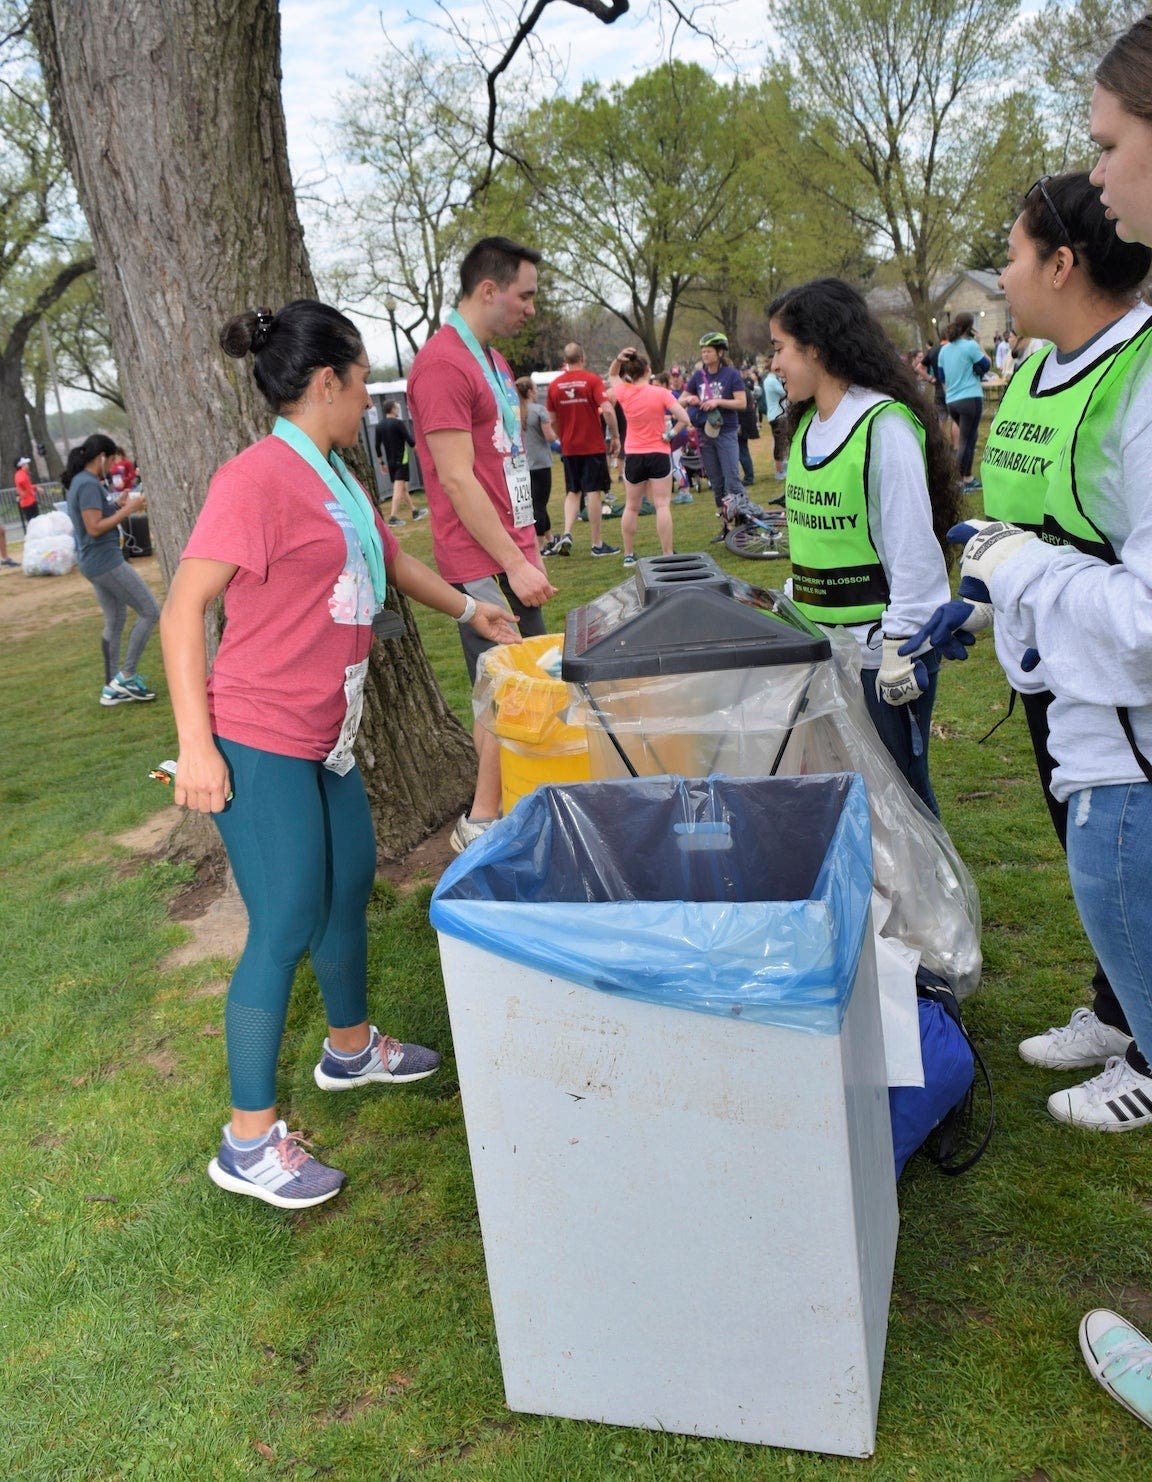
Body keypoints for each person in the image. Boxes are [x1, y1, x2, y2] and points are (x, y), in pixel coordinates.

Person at [910, 14, 1152, 1429]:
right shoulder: (1045, 375)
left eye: (1111, 145)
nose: (1099, 176)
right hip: (1081, 728)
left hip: (1125, 743)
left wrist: (1016, 568)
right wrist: (989, 600)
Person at [160, 299, 520, 1209]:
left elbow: (390, 561)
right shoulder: (254, 479)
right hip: (257, 732)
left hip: (332, 732)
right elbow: (181, 611)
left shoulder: (335, 471)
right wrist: (196, 746)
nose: (368, 399)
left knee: (347, 881)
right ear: (329, 382)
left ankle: (350, 1049)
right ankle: (247, 1143)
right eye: (362, 383)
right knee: (282, 921)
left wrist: (467, 607)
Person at [990, 174, 1150, 1084]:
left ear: (1059, 263)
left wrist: (1024, 574)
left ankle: (1144, 1041)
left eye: (1011, 255)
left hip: (1120, 684)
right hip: (1049, 672)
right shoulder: (1039, 371)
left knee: (1127, 864)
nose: (1002, 277)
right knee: (1089, 860)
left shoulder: (1137, 371)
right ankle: (1116, 1005)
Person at [769, 278, 960, 816]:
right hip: (822, 648)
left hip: (882, 656)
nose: (774, 364)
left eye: (780, 348)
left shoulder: (883, 426)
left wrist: (901, 649)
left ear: (816, 347)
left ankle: (932, 902)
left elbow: (912, 549)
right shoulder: (807, 423)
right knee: (847, 798)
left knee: (901, 799)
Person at [407, 236, 557, 853]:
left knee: (515, 682)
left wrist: (529, 544)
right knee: (504, 688)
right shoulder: (443, 364)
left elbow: (503, 464)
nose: (531, 309)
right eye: (524, 295)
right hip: (481, 563)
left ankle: (509, 803)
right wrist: (512, 562)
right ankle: (483, 821)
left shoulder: (492, 361)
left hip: (511, 548)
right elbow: (456, 478)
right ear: (488, 290)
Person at [62, 433, 159, 705]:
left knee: (115, 620)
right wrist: (130, 509)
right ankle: (125, 676)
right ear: (102, 457)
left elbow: (95, 516)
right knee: (150, 611)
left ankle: (112, 686)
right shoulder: (88, 483)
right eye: (113, 459)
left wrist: (115, 504)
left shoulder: (83, 483)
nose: (113, 465)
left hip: (94, 562)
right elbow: (94, 528)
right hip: (105, 561)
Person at [605, 346, 691, 566]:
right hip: (658, 452)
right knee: (662, 505)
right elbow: (684, 418)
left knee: (631, 506)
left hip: (634, 454)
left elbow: (612, 374)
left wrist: (618, 358)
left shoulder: (624, 391)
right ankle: (667, 553)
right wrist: (670, 434)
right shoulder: (661, 393)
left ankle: (628, 554)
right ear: (648, 370)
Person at [544, 342, 621, 557]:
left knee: (572, 491)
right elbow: (606, 409)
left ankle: (567, 532)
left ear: (566, 360)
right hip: (592, 445)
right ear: (582, 357)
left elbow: (552, 420)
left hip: (569, 448)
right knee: (593, 492)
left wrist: (563, 435)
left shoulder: (554, 385)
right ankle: (597, 543)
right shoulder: (592, 380)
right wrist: (615, 435)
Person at [681, 332, 747, 508]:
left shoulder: (731, 375)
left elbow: (742, 403)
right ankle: (725, 526)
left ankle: (743, 520)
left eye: (709, 351)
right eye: (703, 351)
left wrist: (717, 401)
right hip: (705, 433)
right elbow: (679, 401)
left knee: (731, 478)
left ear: (720, 353)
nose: (705, 354)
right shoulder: (698, 376)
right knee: (716, 483)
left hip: (726, 432)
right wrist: (690, 400)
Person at [938, 312, 991, 493]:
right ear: (970, 327)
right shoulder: (970, 346)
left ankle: (966, 477)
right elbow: (986, 365)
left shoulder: (944, 350)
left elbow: (942, 376)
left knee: (971, 436)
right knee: (965, 440)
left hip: (952, 401)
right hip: (970, 397)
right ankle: (960, 481)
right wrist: (980, 343)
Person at [515, 375, 557, 555]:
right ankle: (540, 545)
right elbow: (549, 437)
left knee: (537, 502)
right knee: (539, 504)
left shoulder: (515, 411)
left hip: (523, 464)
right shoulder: (539, 410)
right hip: (540, 461)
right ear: (531, 391)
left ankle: (550, 538)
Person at [373, 400, 424, 526]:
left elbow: (377, 446)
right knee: (398, 488)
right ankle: (393, 517)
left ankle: (414, 511)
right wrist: (420, 454)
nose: (398, 410)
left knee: (403, 488)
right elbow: (410, 441)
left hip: (390, 463)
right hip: (402, 460)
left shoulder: (379, 426)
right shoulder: (398, 424)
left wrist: (382, 463)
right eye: (397, 408)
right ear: (392, 409)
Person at [761, 366, 789, 480]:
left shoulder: (769, 380)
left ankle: (782, 469)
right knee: (780, 444)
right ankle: (779, 471)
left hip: (775, 414)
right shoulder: (772, 381)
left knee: (781, 443)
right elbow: (784, 392)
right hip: (778, 415)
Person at [737, 367, 761, 485]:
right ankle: (749, 476)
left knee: (742, 452)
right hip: (745, 425)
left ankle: (748, 477)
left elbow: (742, 410)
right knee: (743, 451)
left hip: (741, 425)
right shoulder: (744, 389)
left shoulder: (740, 390)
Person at [14, 456, 40, 527]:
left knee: (34, 522)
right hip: (28, 502)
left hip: (29, 501)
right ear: (22, 465)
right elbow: (22, 482)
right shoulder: (21, 474)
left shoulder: (22, 473)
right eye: (26, 464)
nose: (27, 465)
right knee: (35, 523)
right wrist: (34, 489)